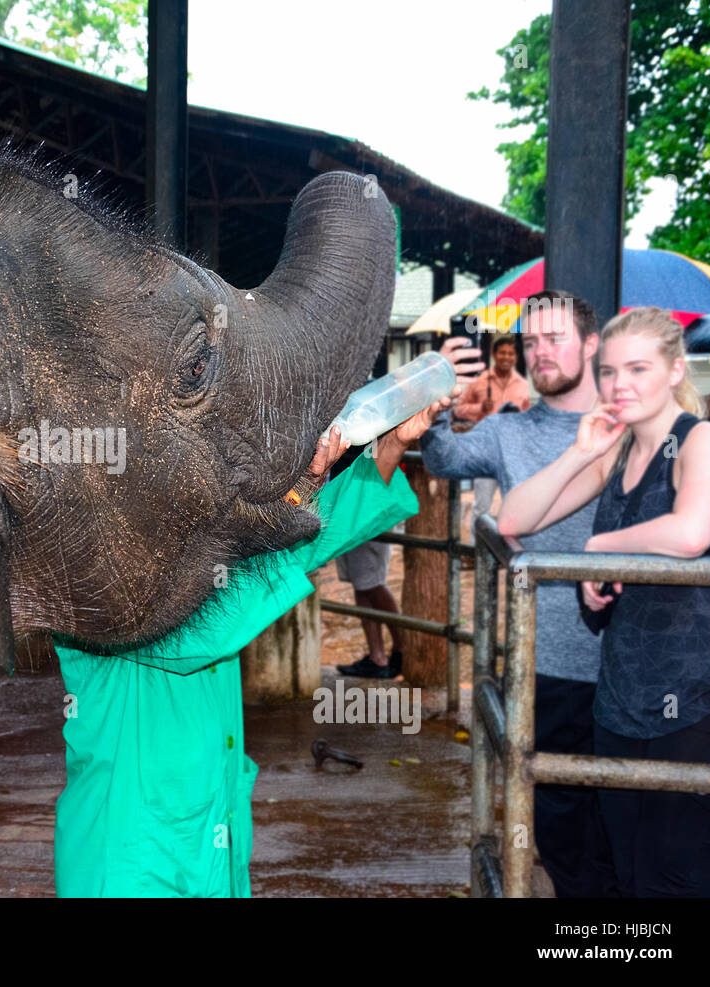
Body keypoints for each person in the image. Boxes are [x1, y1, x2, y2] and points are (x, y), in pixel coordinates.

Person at [52, 389, 464, 897]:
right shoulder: (83, 573)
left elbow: (290, 547)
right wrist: (302, 491)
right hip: (130, 857)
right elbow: (211, 621)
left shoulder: (177, 555)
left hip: (206, 839)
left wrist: (389, 449)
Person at [498, 307, 710, 897]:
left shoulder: (705, 441)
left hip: (698, 699)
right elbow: (514, 517)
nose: (620, 385)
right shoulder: (616, 452)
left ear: (676, 371)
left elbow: (691, 531)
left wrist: (599, 548)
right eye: (609, 371)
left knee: (681, 873)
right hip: (621, 694)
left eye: (639, 369)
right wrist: (580, 450)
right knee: (625, 866)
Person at [420, 289, 618, 898]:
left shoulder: (635, 424)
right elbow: (444, 458)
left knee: (635, 822)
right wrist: (436, 394)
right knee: (556, 828)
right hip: (548, 665)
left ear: (590, 344)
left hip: (634, 664)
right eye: (531, 341)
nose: (540, 351)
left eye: (555, 338)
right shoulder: (509, 431)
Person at [331, 444, 405, 679]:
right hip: (350, 501)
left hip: (369, 503)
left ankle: (402, 648)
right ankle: (377, 656)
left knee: (371, 583)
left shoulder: (375, 420)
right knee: (361, 584)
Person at [455, 335, 533, 519]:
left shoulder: (523, 385)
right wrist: (480, 408)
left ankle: (509, 548)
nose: (506, 357)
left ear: (516, 357)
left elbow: (527, 418)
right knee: (482, 508)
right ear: (494, 354)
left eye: (510, 353)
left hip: (513, 453)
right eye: (502, 353)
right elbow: (459, 409)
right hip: (486, 453)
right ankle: (477, 548)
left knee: (514, 507)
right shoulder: (480, 381)